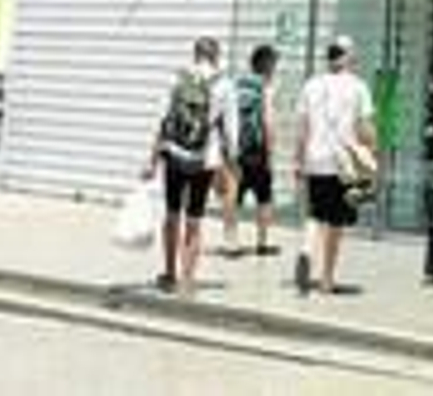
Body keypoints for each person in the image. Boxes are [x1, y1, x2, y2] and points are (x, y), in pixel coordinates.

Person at [144, 36, 232, 293]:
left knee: (172, 214)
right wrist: (229, 166)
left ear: (195, 55)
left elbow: (162, 120)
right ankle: (187, 279)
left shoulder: (177, 78)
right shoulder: (224, 84)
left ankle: (169, 273)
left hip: (174, 154)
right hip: (203, 160)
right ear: (216, 56)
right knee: (194, 219)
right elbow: (231, 131)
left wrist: (152, 160)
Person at [293, 34, 375, 295]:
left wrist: (299, 159)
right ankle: (327, 278)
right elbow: (365, 126)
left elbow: (303, 128)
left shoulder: (311, 85)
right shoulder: (358, 86)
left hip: (315, 159)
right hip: (343, 162)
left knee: (316, 213)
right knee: (336, 222)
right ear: (348, 57)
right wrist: (373, 152)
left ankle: (306, 249)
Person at [222, 43, 280, 255]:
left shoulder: (237, 84)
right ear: (268, 65)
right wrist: (271, 151)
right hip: (257, 149)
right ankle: (262, 242)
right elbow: (268, 121)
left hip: (237, 148)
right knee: (264, 196)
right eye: (274, 64)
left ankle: (231, 241)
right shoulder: (265, 88)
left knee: (233, 195)